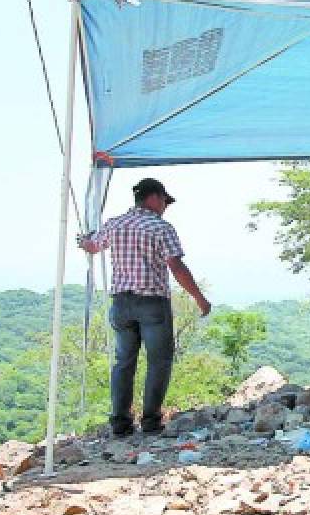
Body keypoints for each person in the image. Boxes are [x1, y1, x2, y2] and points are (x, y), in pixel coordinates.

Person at [78, 178, 211, 437]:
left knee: (123, 362)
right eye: (164, 202)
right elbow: (176, 267)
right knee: (159, 361)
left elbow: (92, 246)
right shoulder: (160, 228)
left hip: (121, 303)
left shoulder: (114, 224)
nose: (165, 207)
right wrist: (199, 298)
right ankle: (150, 420)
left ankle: (120, 422)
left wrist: (83, 241)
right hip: (152, 302)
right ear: (154, 198)